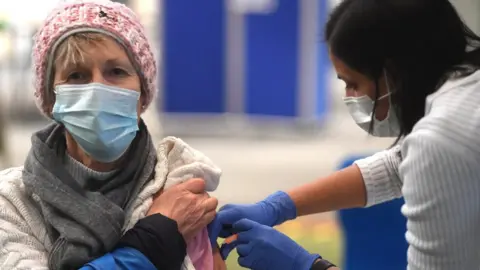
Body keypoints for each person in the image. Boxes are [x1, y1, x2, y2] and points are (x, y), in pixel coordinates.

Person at [209, 0, 480, 269]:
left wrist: (305, 265)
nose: (350, 96)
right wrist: (278, 206)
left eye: (353, 83)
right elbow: (401, 164)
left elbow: (426, 154)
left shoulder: (442, 138)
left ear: (393, 71)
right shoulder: (467, 93)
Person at [0, 0, 226, 269]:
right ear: (51, 101)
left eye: (116, 72)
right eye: (76, 75)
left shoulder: (179, 183)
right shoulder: (13, 202)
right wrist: (152, 241)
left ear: (142, 95)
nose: (97, 89)